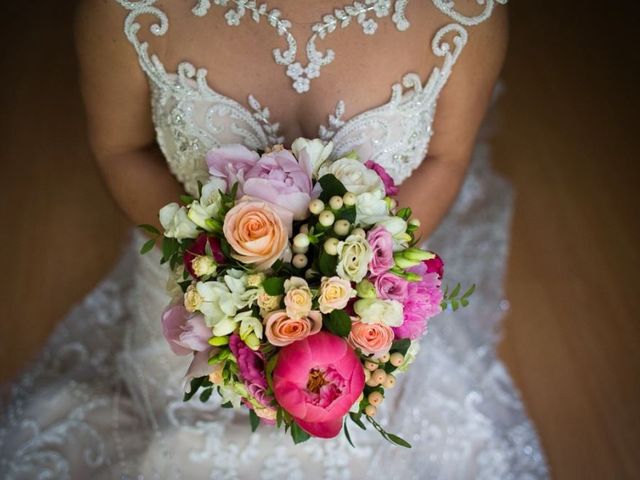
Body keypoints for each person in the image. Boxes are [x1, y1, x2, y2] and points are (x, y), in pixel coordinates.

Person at [0, 0, 549, 478]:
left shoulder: (464, 16)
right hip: (196, 301)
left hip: (363, 307)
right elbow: (123, 150)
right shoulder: (123, 12)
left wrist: (357, 281)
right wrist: (222, 267)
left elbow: (445, 160)